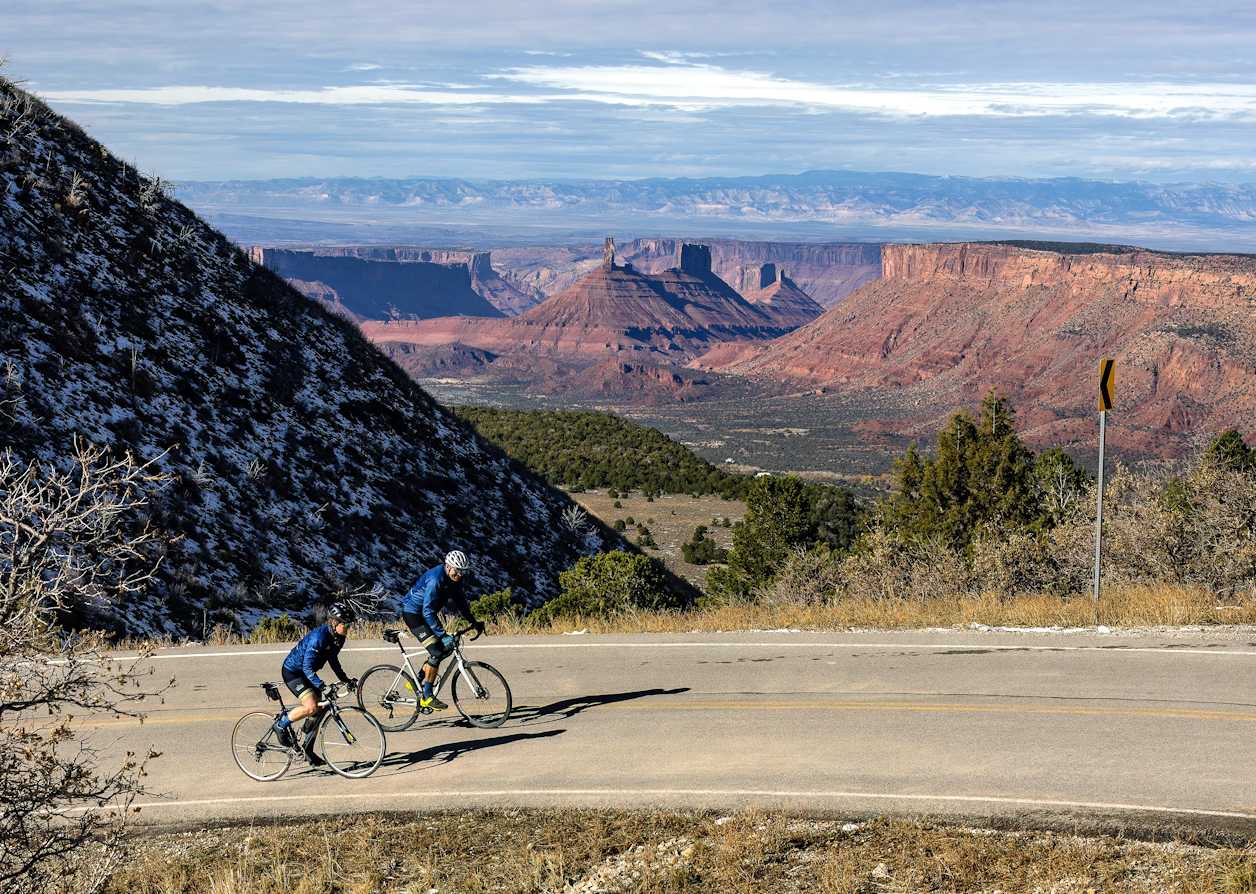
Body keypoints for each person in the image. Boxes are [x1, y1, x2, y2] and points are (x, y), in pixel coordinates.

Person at [275, 600, 358, 766]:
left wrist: (345, 679)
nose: (349, 627)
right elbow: (306, 667)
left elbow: (333, 660)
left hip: (308, 673)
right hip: (294, 672)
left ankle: (308, 749)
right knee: (312, 706)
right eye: (346, 624)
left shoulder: (338, 637)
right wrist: (321, 686)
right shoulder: (318, 638)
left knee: (319, 711)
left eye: (351, 624)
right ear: (334, 623)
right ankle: (281, 726)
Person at [400, 549, 484, 710]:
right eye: (457, 571)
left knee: (446, 648)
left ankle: (418, 678)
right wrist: (442, 635)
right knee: (437, 651)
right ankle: (426, 696)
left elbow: (461, 602)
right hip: (414, 614)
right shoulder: (436, 580)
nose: (459, 574)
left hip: (426, 614)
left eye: (463, 572)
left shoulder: (455, 580)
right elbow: (427, 611)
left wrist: (473, 621)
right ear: (448, 566)